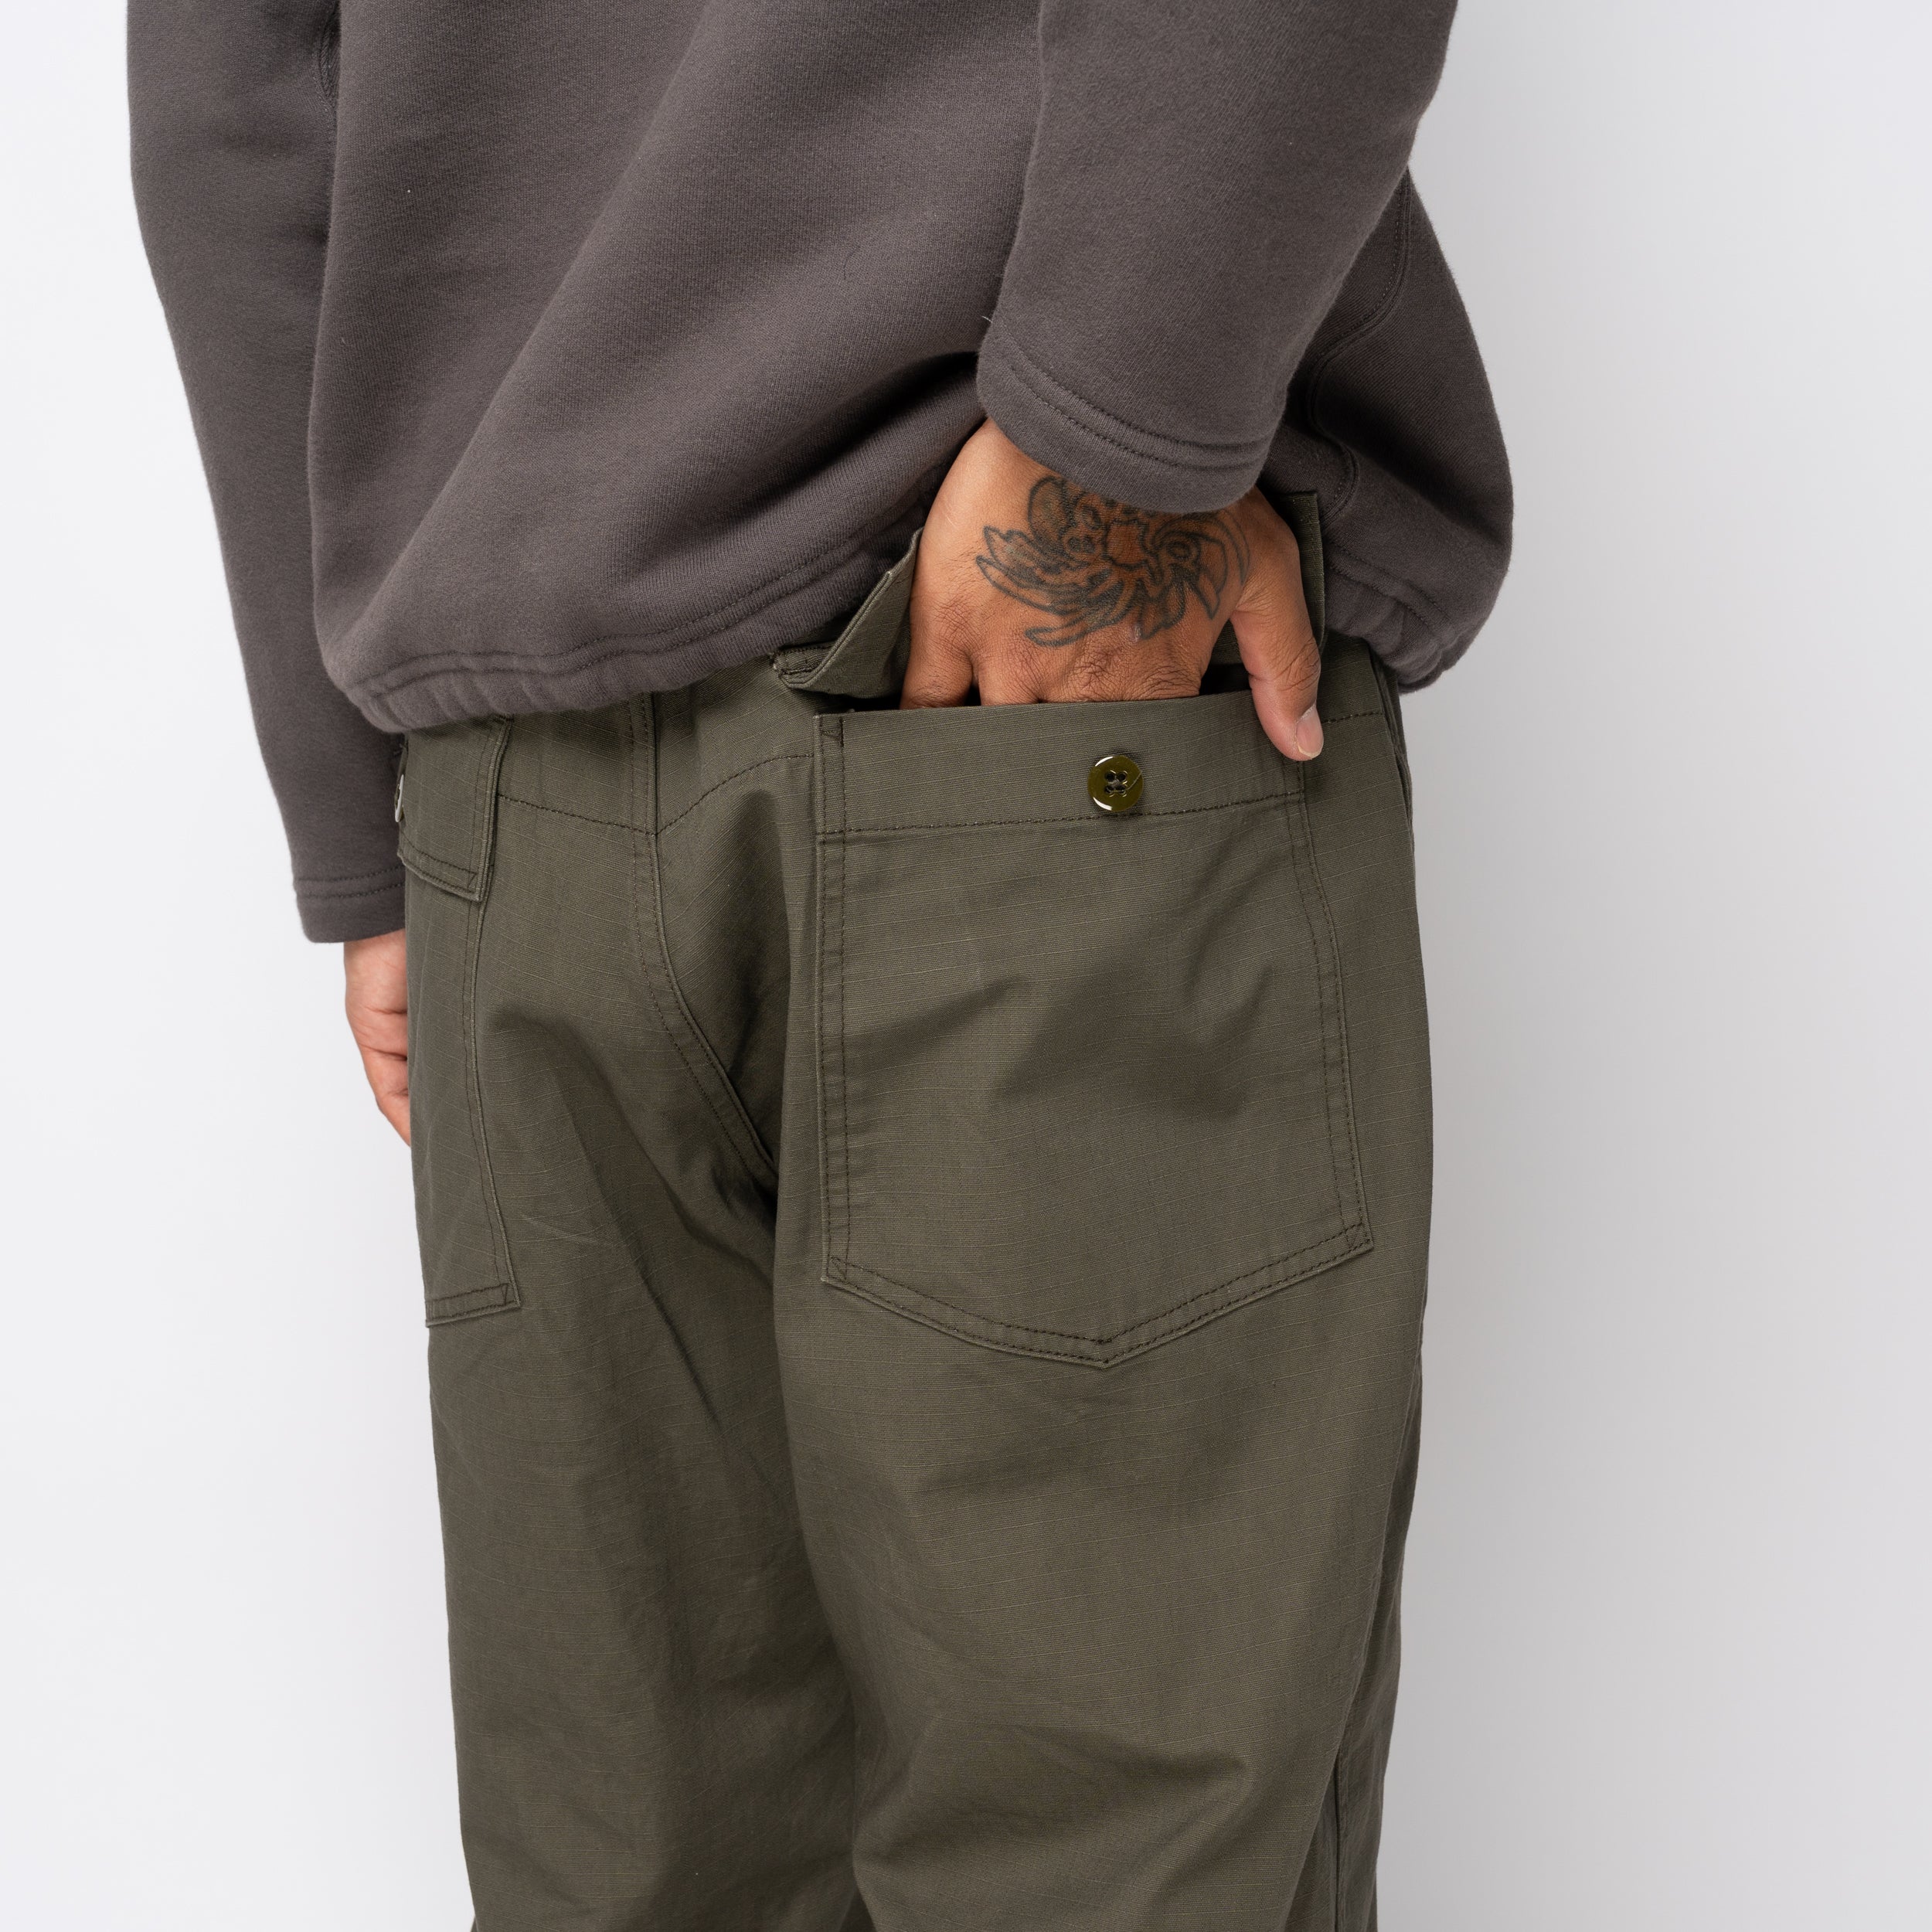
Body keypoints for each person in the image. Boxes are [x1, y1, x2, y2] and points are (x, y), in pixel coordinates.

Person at [131, 0, 1511, 1923]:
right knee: (1109, 1861)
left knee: (643, 1866)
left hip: (532, 783)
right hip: (1007, 724)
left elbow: (232, 92)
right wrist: (1115, 442)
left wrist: (360, 805)